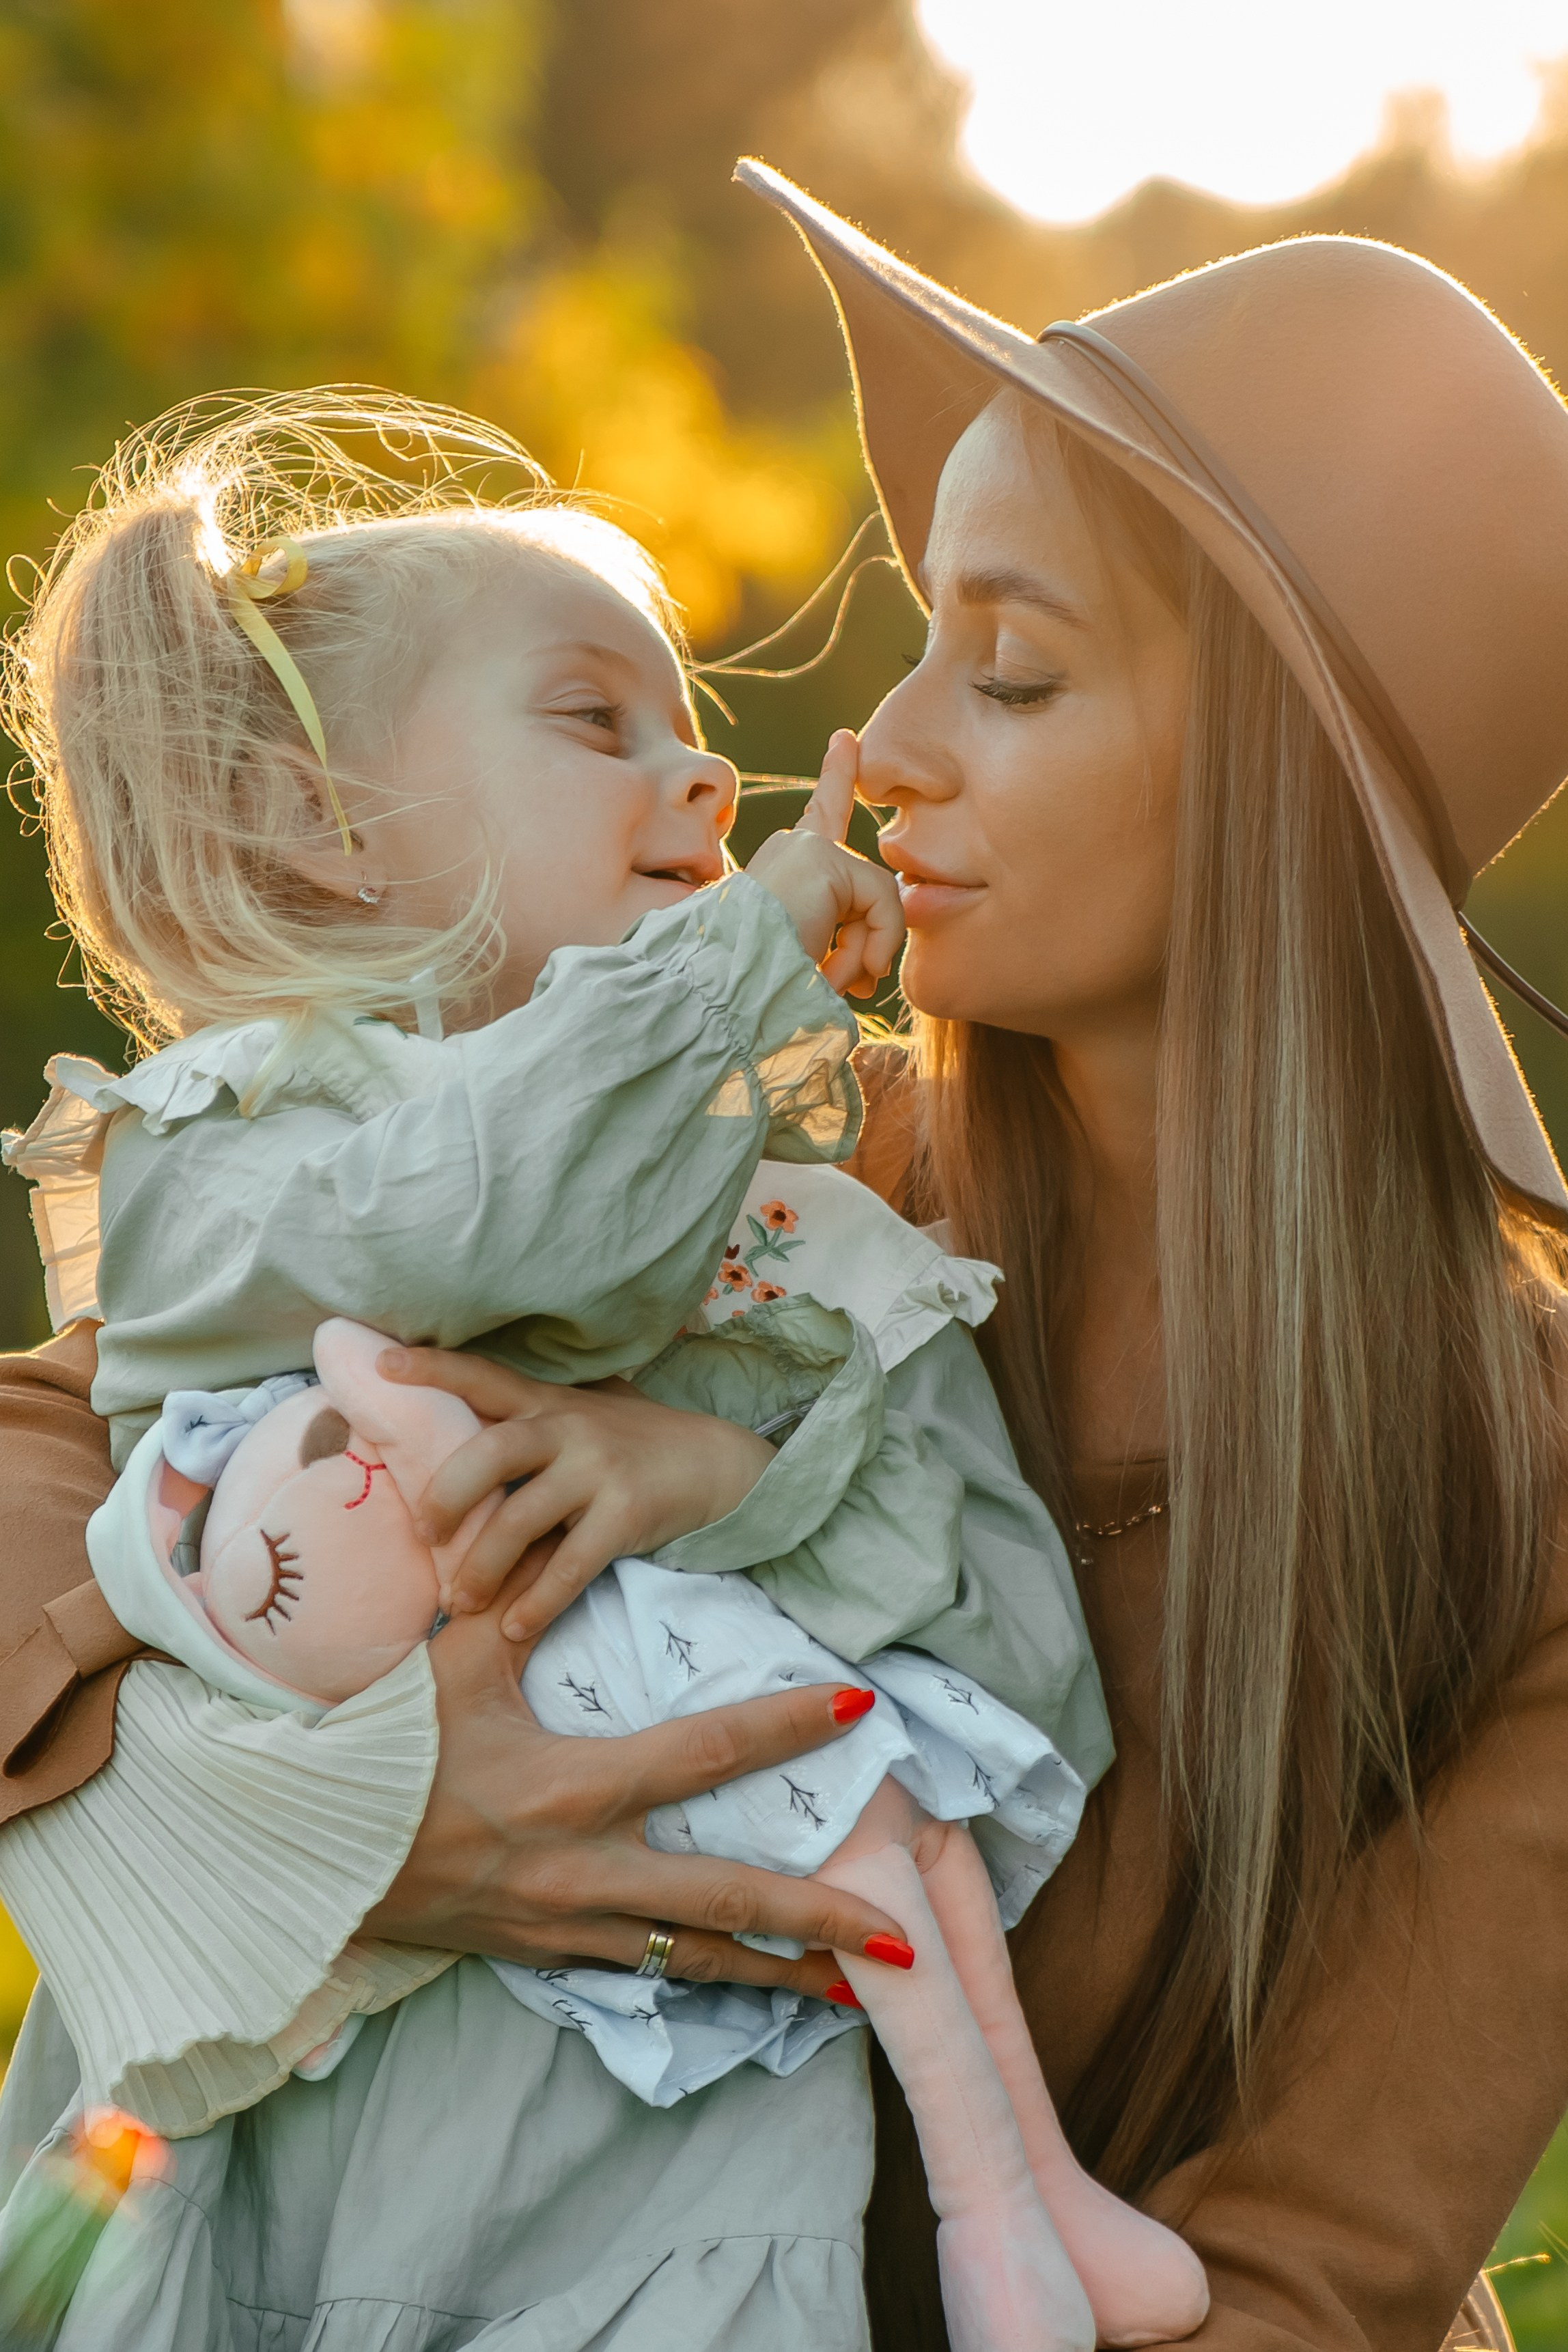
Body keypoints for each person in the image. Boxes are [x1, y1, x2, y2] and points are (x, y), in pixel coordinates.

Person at [0, 387, 1158, 2351]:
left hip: (680, 2221)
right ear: (314, 818)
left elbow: (1018, 1651)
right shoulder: (227, 1149)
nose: (704, 770)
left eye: (685, 719)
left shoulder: (786, 1220)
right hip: (244, 2207)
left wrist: (722, 1474)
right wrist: (739, 978)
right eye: (591, 719)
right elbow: (473, 1217)